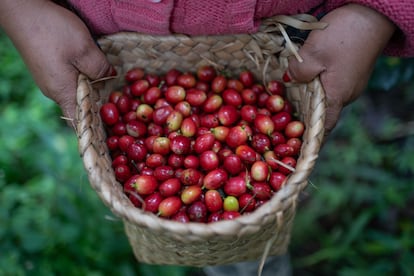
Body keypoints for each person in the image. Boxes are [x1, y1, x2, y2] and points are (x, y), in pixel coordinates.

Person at [0, 1, 412, 275]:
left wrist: (375, 13)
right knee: (234, 235)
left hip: (311, 38)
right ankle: (238, 260)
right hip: (101, 40)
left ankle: (253, 254)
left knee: (295, 157)